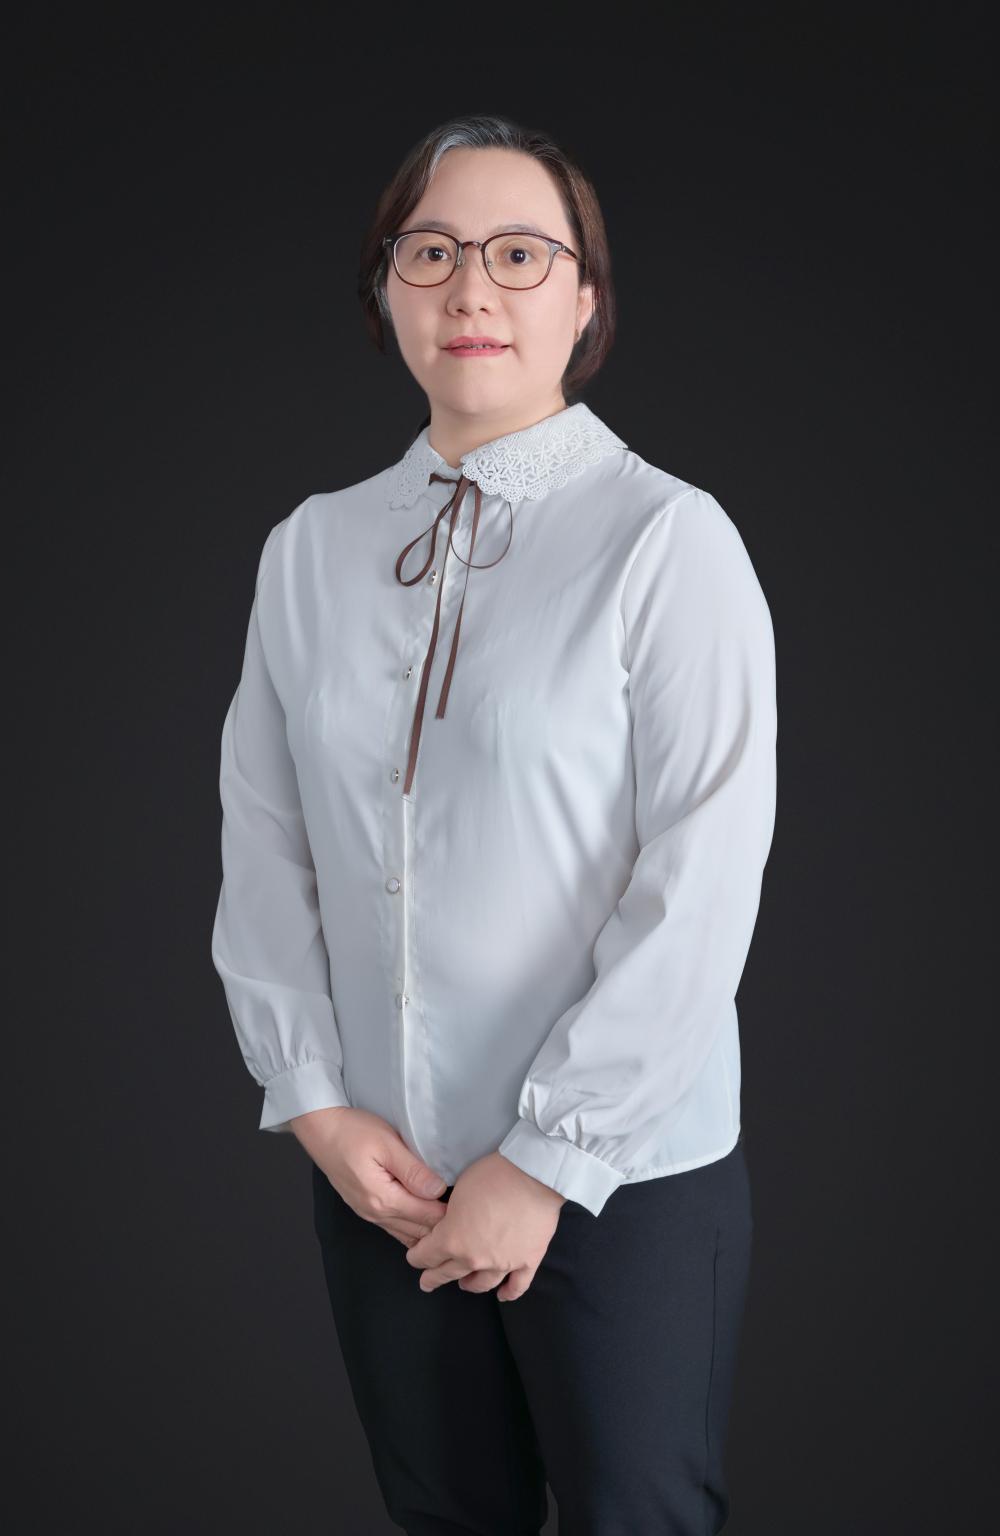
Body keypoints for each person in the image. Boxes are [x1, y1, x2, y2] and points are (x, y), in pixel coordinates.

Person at [211, 112, 777, 1536]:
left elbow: (703, 877)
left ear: (585, 299)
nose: (473, 288)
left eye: (521, 254)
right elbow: (264, 843)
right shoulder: (311, 550)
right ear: (386, 288)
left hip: (620, 1180)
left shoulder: (667, 540)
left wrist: (546, 1162)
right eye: (433, 251)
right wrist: (314, 1103)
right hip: (382, 1177)